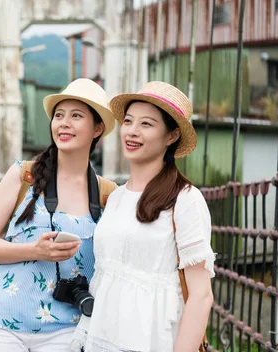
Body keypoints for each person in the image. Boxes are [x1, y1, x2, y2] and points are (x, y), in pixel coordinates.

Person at [0, 79, 117, 352]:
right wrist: (36, 250)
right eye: (59, 115)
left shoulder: (108, 194)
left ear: (97, 128)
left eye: (76, 116)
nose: (64, 123)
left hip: (65, 331)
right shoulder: (24, 175)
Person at [70, 81, 215, 352]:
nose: (132, 132)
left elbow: (201, 295)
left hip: (151, 340)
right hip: (102, 334)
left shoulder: (185, 199)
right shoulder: (115, 198)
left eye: (146, 124)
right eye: (128, 121)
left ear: (171, 136)